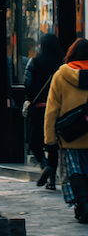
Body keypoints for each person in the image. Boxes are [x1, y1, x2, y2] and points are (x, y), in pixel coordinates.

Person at [44, 38, 88, 223]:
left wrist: (49, 140)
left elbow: (52, 109)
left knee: (76, 171)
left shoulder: (61, 75)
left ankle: (83, 202)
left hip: (71, 136)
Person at [25, 33, 63, 187]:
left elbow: (27, 84)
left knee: (35, 142)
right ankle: (52, 179)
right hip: (58, 109)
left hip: (39, 108)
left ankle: (44, 164)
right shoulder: (62, 65)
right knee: (52, 144)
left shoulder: (34, 62)